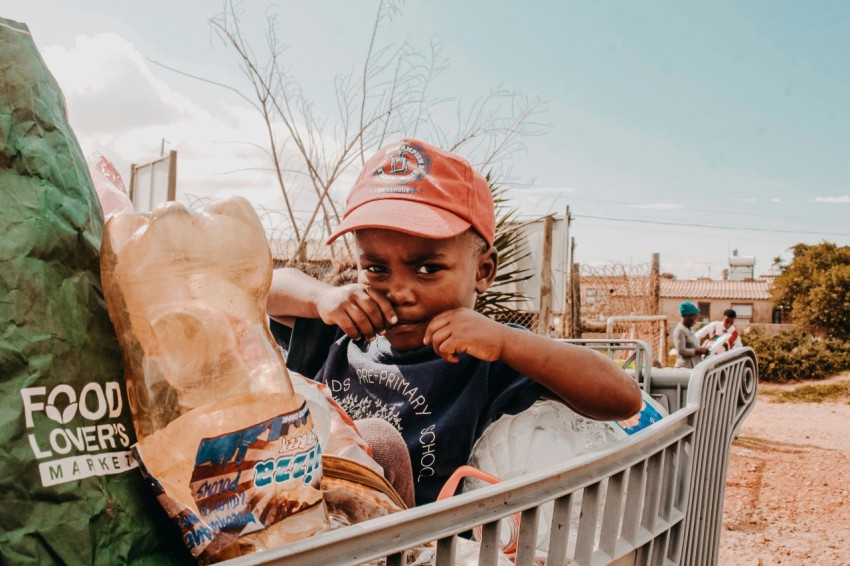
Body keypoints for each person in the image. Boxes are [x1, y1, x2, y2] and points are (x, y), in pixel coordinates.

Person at [267, 138, 642, 506]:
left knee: (377, 442)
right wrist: (320, 297)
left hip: (401, 547)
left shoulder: (488, 357)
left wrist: (506, 343)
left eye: (428, 269)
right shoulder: (345, 328)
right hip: (291, 519)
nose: (399, 291)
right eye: (376, 268)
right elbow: (260, 288)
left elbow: (623, 398)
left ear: (483, 271)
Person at [672, 301, 709, 369]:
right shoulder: (680, 330)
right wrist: (698, 351)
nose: (696, 321)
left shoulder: (688, 329)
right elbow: (681, 351)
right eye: (695, 317)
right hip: (684, 368)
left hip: (693, 366)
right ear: (687, 316)